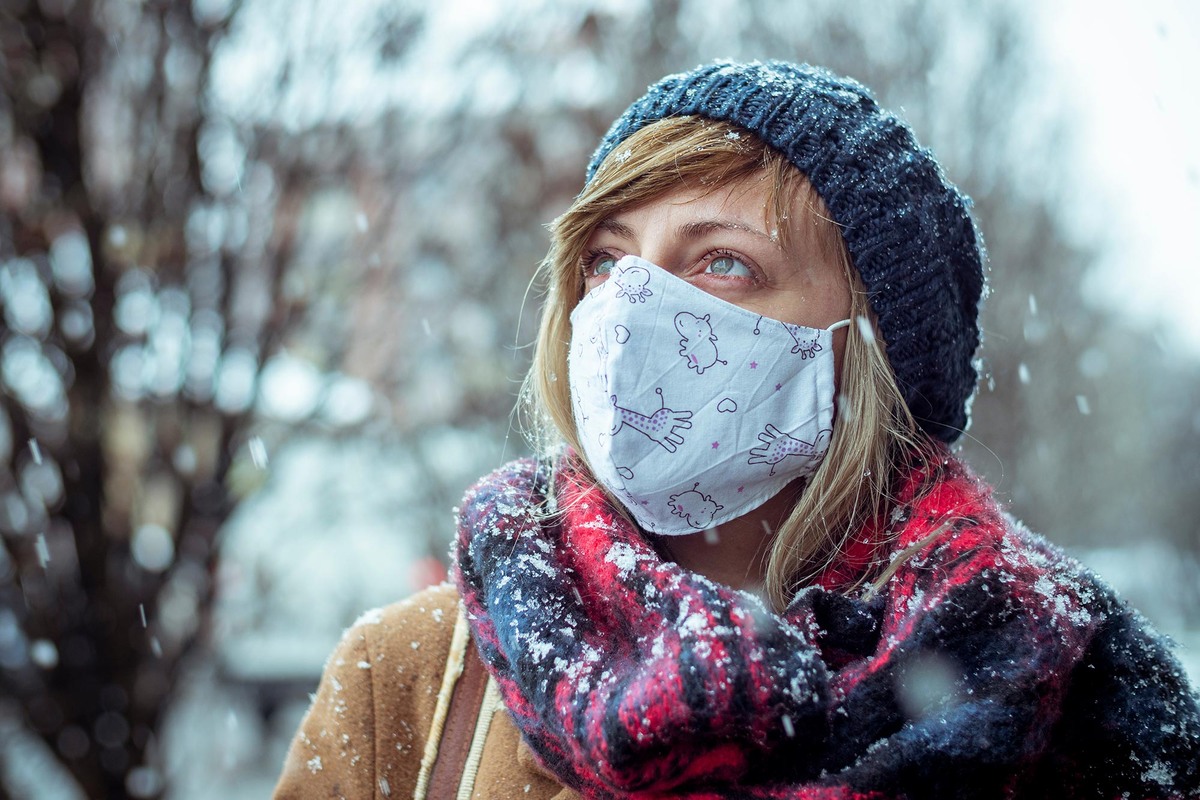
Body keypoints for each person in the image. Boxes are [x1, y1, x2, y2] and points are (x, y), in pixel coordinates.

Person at [273, 61, 1200, 799]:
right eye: (607, 260)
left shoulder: (1066, 695)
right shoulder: (412, 684)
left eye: (723, 261)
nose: (630, 310)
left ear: (868, 347)